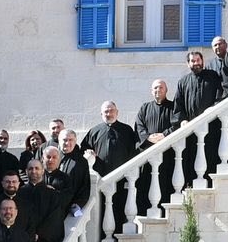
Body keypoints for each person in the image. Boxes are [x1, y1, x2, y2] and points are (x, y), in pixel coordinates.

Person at [81, 101, 138, 232]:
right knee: (102, 212)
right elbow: (84, 149)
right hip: (101, 179)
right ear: (101, 114)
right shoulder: (94, 131)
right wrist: (89, 153)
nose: (109, 114)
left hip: (122, 179)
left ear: (117, 112)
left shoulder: (127, 130)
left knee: (121, 210)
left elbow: (133, 152)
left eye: (111, 111)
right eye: (106, 111)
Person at [173, 50, 224, 182]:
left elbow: (220, 96)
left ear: (202, 61)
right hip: (190, 130)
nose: (196, 63)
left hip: (211, 127)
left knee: (210, 156)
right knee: (191, 159)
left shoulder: (213, 76)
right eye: (192, 61)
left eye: (198, 60)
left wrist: (213, 108)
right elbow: (178, 106)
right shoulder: (183, 82)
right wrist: (182, 120)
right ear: (188, 64)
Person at [134, 78, 177, 212]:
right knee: (146, 185)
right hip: (148, 155)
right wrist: (148, 137)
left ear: (166, 90)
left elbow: (177, 124)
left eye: (161, 87)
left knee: (166, 184)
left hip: (167, 155)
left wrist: (164, 135)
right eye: (155, 88)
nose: (158, 90)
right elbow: (139, 126)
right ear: (151, 91)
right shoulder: (145, 108)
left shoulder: (173, 107)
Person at [20, 160, 63, 242]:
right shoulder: (20, 193)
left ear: (43, 171)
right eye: (30, 169)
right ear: (26, 171)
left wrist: (39, 233)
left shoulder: (52, 194)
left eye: (37, 168)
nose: (34, 171)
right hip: (23, 241)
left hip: (44, 241)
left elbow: (54, 217)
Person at [57, 129, 92, 213]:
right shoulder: (52, 157)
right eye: (64, 140)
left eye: (70, 140)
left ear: (75, 141)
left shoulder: (81, 162)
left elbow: (85, 186)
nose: (67, 143)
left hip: (69, 206)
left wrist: (78, 204)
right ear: (59, 141)